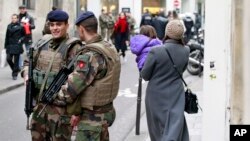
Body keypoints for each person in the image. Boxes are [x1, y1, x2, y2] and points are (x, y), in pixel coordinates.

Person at [21, 10, 82, 141]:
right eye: (52, 24)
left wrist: (76, 113)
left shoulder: (73, 47)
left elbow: (79, 82)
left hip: (61, 112)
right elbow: (27, 62)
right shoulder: (42, 42)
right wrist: (26, 74)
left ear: (67, 25)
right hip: (39, 107)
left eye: (59, 24)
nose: (54, 28)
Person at [60, 11, 121, 141]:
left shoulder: (90, 55)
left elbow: (71, 89)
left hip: (91, 121)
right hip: (106, 113)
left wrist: (53, 97)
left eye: (78, 30)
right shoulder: (108, 46)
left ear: (81, 29)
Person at [140, 20, 190, 141]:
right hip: (176, 94)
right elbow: (182, 70)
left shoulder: (156, 51)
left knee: (157, 130)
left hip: (156, 95)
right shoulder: (186, 50)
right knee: (175, 127)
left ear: (167, 33)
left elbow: (145, 75)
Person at [5, 14, 25, 80]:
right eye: (12, 18)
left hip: (17, 45)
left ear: (17, 19)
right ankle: (16, 69)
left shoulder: (21, 26)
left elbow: (24, 36)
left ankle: (14, 74)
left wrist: (21, 39)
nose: (13, 19)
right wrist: (6, 46)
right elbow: (7, 36)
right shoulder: (9, 26)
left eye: (15, 18)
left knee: (16, 61)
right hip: (10, 45)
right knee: (8, 59)